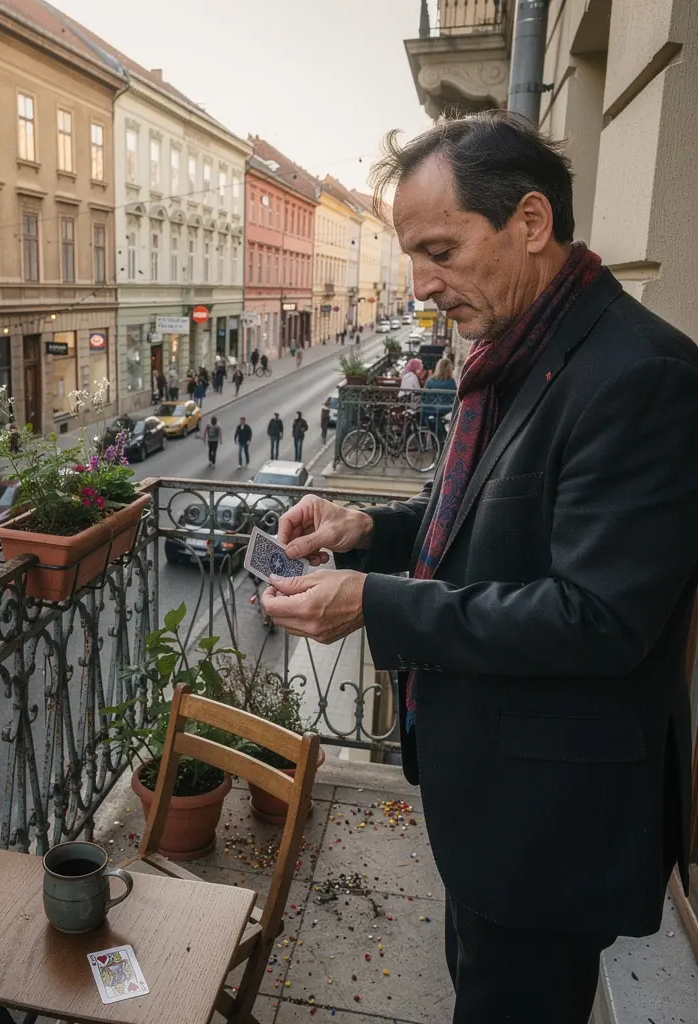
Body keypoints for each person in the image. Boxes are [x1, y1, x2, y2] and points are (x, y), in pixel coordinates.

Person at [261, 111, 698, 1024]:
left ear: (530, 224)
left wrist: (376, 605)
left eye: (441, 250)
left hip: (549, 825)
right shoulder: (528, 350)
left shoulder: (640, 375)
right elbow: (496, 526)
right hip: (495, 804)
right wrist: (365, 531)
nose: (422, 287)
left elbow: (599, 618)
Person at [422, 356, 457, 440]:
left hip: (429, 410)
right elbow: (455, 397)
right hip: (444, 409)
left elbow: (424, 395)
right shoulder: (450, 382)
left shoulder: (429, 380)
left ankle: (435, 442)